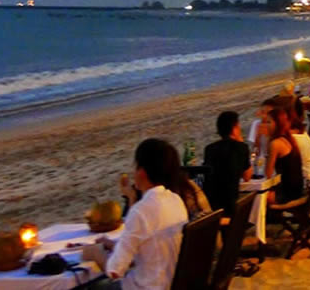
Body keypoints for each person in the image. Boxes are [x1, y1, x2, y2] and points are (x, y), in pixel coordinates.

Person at [82, 139, 189, 290]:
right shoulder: (175, 200)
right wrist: (112, 245)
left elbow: (115, 271)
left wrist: (94, 253)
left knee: (91, 286)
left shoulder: (141, 211)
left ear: (142, 172)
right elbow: (151, 246)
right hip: (170, 282)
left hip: (146, 286)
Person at [203, 111, 252, 218]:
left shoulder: (209, 149)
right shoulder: (241, 148)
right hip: (230, 204)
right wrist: (240, 141)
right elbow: (247, 176)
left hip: (211, 203)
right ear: (234, 128)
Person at [265, 107, 304, 204]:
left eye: (269, 122)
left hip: (287, 193)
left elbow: (267, 174)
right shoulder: (289, 139)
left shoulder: (275, 144)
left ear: (277, 124)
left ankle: (272, 219)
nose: (266, 126)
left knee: (259, 199)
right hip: (297, 189)